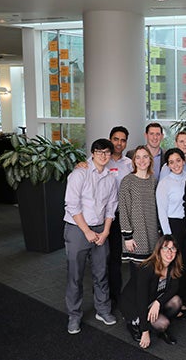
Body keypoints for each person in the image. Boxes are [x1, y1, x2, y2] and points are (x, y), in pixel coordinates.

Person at [64, 138, 118, 334]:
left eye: (107, 153)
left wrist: (105, 231)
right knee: (75, 275)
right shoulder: (80, 174)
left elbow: (112, 207)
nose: (104, 156)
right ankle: (74, 315)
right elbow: (71, 205)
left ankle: (102, 310)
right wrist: (87, 231)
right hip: (78, 229)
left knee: (101, 273)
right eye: (100, 152)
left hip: (101, 229)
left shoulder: (111, 178)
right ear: (93, 153)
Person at [120, 235, 183, 348]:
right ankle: (135, 324)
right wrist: (145, 331)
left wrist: (158, 303)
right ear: (158, 250)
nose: (169, 252)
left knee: (177, 301)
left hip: (152, 300)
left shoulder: (173, 266)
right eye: (165, 248)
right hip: (134, 304)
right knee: (163, 324)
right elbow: (141, 299)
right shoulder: (147, 268)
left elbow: (174, 288)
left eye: (173, 248)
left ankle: (153, 321)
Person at [156, 148, 186, 303]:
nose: (176, 164)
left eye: (178, 160)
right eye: (171, 162)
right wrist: (168, 236)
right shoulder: (164, 183)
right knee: (174, 261)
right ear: (167, 165)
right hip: (173, 224)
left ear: (183, 160)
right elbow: (162, 211)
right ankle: (172, 297)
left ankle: (185, 296)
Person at [105, 126, 133, 308]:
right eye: (116, 139)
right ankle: (102, 295)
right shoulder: (101, 160)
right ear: (110, 139)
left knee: (115, 258)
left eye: (123, 140)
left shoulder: (129, 164)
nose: (119, 143)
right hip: (101, 217)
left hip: (119, 215)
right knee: (100, 258)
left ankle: (115, 295)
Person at [120, 145, 159, 264]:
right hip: (136, 235)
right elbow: (123, 210)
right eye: (138, 157)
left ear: (150, 160)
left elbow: (156, 209)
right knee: (137, 275)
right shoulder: (128, 181)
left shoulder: (153, 180)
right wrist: (127, 237)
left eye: (145, 157)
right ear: (134, 161)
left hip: (152, 233)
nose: (142, 161)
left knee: (151, 271)